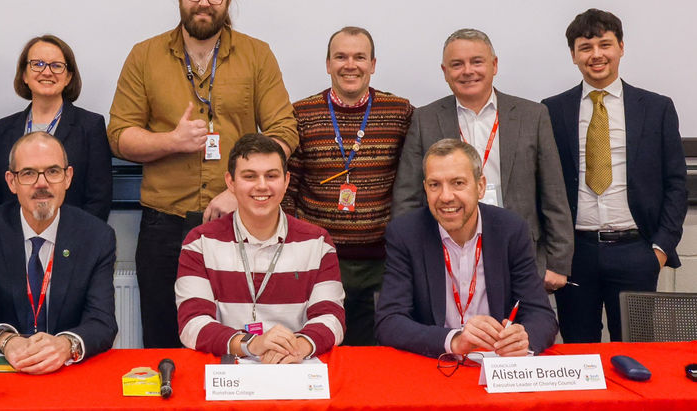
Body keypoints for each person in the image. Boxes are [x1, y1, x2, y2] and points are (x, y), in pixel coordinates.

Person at [107, 0, 298, 348]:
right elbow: (119, 135)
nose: (205, 2)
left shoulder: (257, 55)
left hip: (239, 225)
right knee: (164, 342)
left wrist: (240, 190)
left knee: (237, 340)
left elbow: (284, 131)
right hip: (165, 227)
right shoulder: (144, 56)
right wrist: (171, 141)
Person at [541, 9, 687, 343]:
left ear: (621, 47)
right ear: (573, 55)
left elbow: (676, 184)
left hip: (636, 251)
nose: (596, 55)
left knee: (637, 353)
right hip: (575, 254)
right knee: (579, 351)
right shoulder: (551, 110)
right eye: (585, 47)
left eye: (605, 44)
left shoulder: (657, 108)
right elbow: (543, 185)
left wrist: (660, 249)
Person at [391, 28, 573, 293]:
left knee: (518, 320)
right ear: (445, 71)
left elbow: (553, 192)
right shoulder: (425, 119)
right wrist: (409, 258)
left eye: (476, 62)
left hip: (519, 252)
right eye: (457, 64)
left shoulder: (532, 115)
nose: (468, 71)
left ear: (494, 65)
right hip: (445, 252)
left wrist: (558, 261)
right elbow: (407, 197)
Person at [281, 27, 413, 346]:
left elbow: (411, 183)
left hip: (382, 261)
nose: (350, 65)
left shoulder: (400, 112)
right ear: (328, 64)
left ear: (373, 64)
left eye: (359, 57)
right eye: (341, 57)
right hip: (319, 259)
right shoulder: (301, 113)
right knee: (322, 345)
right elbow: (288, 189)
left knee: (375, 351)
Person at [0, 132, 117, 374]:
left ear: (68, 177)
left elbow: (102, 322)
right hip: (6, 368)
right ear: (11, 182)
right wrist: (6, 340)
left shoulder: (96, 236)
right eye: (29, 173)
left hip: (67, 371)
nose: (42, 183)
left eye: (53, 171)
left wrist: (66, 345)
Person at [376, 139, 557, 358]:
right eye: (435, 185)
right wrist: (453, 340)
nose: (446, 196)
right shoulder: (406, 233)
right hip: (435, 362)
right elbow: (389, 321)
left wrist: (524, 338)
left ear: (480, 186)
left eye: (458, 183)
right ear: (425, 188)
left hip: (497, 363)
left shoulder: (510, 229)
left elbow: (541, 315)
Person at [176, 134, 345, 363]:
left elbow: (331, 318)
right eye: (250, 176)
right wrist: (251, 344)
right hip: (226, 369)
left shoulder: (318, 242)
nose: (262, 185)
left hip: (293, 365)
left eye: (271, 176)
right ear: (230, 182)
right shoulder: (200, 243)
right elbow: (192, 324)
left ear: (286, 181)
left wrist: (298, 347)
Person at [0, 34, 112, 221]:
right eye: (38, 64)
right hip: (12, 235)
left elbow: (99, 200)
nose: (47, 72)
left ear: (68, 77)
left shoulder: (90, 127)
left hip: (71, 235)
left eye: (56, 66)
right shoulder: (4, 129)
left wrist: (75, 237)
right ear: (24, 75)